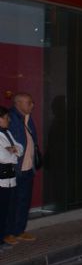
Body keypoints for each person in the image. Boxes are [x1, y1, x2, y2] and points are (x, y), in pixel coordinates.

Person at [6, 92, 39, 244]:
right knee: (11, 202)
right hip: (15, 168)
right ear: (18, 103)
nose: (32, 105)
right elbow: (8, 144)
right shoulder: (10, 118)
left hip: (27, 168)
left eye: (31, 102)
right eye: (28, 102)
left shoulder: (28, 118)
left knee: (24, 201)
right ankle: (8, 233)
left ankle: (20, 230)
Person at [0, 106, 23, 251]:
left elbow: (20, 148)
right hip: (1, 179)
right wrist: (12, 152)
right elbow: (2, 156)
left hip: (10, 179)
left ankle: (1, 238)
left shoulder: (7, 133)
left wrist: (13, 150)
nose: (8, 120)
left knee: (5, 211)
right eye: (6, 117)